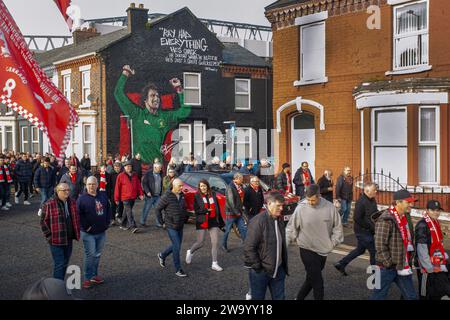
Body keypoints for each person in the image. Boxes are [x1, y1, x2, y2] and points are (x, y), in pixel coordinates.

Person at [114, 65, 191, 164]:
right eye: (152, 95)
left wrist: (179, 90)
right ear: (145, 99)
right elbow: (118, 93)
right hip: (141, 167)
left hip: (158, 166)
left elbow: (185, 112)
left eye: (158, 96)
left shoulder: (165, 117)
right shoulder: (137, 114)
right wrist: (125, 73)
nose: (156, 98)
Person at [286, 184, 343, 300]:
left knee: (311, 278)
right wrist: (282, 246)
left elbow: (338, 228)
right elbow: (291, 228)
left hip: (323, 250)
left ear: (319, 196)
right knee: (318, 282)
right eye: (308, 200)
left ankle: (299, 298)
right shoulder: (301, 208)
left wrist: (332, 243)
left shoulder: (330, 208)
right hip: (306, 248)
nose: (310, 203)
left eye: (312, 200)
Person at [370, 189, 418, 300]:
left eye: (411, 202)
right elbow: (380, 244)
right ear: (398, 203)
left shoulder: (403, 217)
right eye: (408, 202)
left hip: (402, 264)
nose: (411, 205)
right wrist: (389, 263)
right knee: (379, 296)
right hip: (387, 267)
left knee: (411, 296)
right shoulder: (386, 219)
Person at [244, 192, 288, 300]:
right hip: (261, 271)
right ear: (269, 204)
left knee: (280, 297)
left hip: (278, 270)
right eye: (278, 205)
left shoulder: (279, 219)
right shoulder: (258, 221)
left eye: (282, 205)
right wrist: (258, 267)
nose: (281, 208)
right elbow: (249, 248)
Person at [334, 183, 378, 275]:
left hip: (369, 231)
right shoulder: (361, 202)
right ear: (367, 191)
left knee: (360, 250)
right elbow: (357, 218)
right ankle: (376, 278)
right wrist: (369, 226)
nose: (376, 191)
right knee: (374, 252)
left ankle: (341, 264)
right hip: (363, 232)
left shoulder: (372, 199)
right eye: (374, 190)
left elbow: (374, 212)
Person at [40, 183, 80, 280]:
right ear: (58, 191)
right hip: (56, 240)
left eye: (68, 190)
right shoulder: (49, 204)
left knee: (65, 262)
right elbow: (43, 223)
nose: (67, 192)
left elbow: (76, 218)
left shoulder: (72, 202)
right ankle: (56, 287)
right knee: (59, 263)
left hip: (69, 239)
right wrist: (50, 237)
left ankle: (60, 283)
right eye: (64, 190)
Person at [77, 176, 111, 289]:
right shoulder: (82, 198)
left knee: (97, 255)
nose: (91, 186)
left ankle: (94, 275)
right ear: (86, 185)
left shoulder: (103, 196)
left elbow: (108, 209)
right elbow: (78, 215)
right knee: (90, 255)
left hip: (101, 231)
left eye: (93, 184)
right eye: (89, 184)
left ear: (97, 185)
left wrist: (107, 222)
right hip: (88, 233)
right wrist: (86, 227)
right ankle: (87, 278)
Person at [185, 179, 225, 271]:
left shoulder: (213, 194)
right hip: (202, 220)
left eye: (204, 185)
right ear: (199, 187)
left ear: (207, 186)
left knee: (215, 242)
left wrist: (221, 223)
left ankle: (214, 263)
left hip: (213, 221)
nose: (203, 187)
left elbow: (217, 208)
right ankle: (190, 251)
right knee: (200, 242)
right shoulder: (197, 196)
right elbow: (196, 210)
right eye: (201, 186)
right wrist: (206, 210)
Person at [415, 200, 450, 300]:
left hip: (436, 262)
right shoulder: (422, 225)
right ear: (427, 210)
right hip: (426, 266)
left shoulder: (435, 222)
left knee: (435, 291)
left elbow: (439, 243)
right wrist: (429, 268)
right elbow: (422, 248)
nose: (436, 212)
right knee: (425, 292)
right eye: (433, 210)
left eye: (438, 210)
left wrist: (444, 258)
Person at [156, 178, 189, 277]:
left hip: (180, 225)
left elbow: (183, 208)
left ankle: (162, 255)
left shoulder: (182, 196)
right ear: (174, 186)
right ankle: (178, 269)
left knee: (176, 245)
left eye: (182, 186)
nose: (182, 188)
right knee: (177, 246)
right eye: (180, 186)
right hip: (170, 225)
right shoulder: (167, 196)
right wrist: (162, 222)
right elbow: (157, 209)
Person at [114, 161, 144, 234]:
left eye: (130, 166)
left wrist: (141, 194)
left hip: (133, 196)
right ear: (124, 168)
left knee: (126, 211)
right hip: (125, 197)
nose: (128, 167)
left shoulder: (135, 175)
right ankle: (133, 226)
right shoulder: (120, 176)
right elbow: (117, 188)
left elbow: (138, 185)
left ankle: (123, 224)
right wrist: (116, 198)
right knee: (129, 211)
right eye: (127, 166)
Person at [221, 172, 247, 252]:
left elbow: (241, 198)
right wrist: (237, 212)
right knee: (228, 230)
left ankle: (247, 245)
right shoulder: (230, 187)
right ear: (236, 179)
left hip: (238, 212)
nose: (242, 181)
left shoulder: (239, 187)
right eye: (241, 179)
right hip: (231, 213)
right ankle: (223, 245)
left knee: (243, 228)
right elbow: (231, 202)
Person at [141, 162, 163, 227]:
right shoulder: (148, 174)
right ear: (155, 168)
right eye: (159, 168)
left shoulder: (161, 174)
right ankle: (142, 221)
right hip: (150, 196)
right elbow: (144, 183)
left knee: (158, 210)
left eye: (160, 168)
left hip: (158, 195)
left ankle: (158, 223)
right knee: (146, 209)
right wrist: (147, 192)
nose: (160, 169)